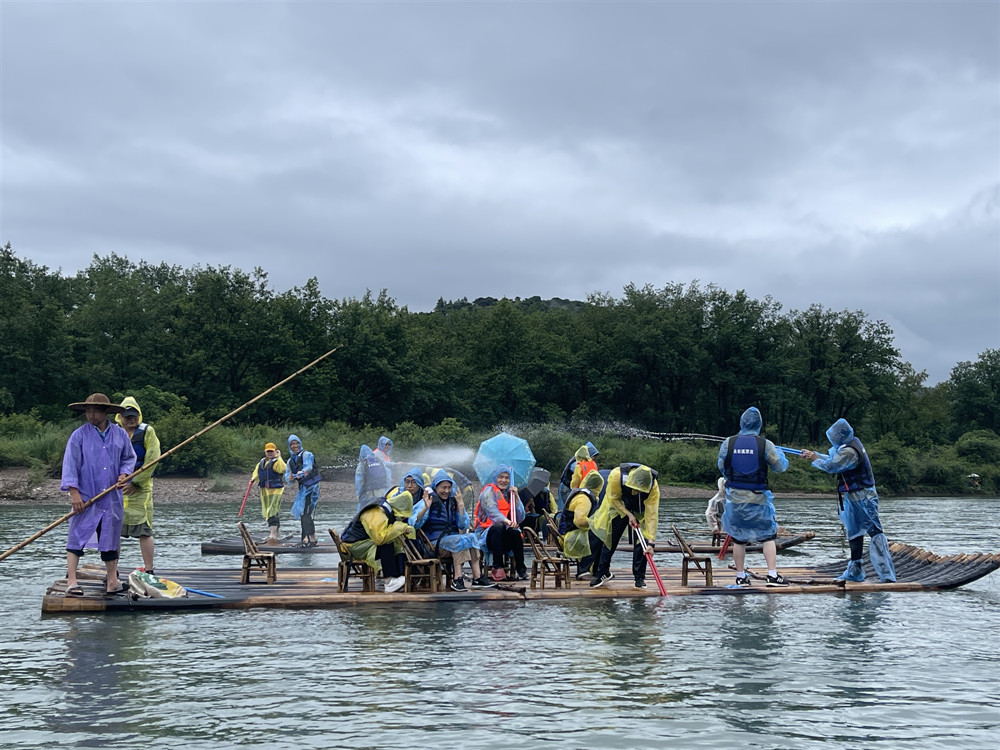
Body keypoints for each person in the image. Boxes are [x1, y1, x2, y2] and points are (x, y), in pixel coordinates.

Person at [799, 418, 896, 583]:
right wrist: (813, 455)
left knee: (874, 531)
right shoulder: (849, 445)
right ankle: (855, 571)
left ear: (841, 435)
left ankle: (886, 574)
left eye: (835, 436)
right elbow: (834, 460)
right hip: (852, 495)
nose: (833, 439)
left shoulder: (850, 452)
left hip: (864, 496)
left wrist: (815, 458)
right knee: (854, 532)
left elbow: (832, 466)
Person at [61, 393, 136, 597]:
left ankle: (112, 581)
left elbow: (128, 458)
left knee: (110, 537)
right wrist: (74, 492)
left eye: (94, 410)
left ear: (105, 412)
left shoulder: (120, 435)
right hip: (86, 495)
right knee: (77, 536)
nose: (90, 414)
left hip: (111, 497)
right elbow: (70, 465)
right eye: (88, 410)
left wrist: (124, 474)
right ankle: (72, 581)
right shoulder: (79, 435)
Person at [717, 406, 790, 587]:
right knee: (768, 537)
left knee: (738, 539)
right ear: (759, 424)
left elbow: (722, 466)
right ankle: (772, 576)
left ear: (741, 422)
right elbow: (780, 467)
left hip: (735, 501)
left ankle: (741, 576)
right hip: (759, 501)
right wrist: (780, 453)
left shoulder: (728, 443)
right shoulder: (765, 445)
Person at [410, 469, 494, 590]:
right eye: (443, 488)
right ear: (436, 487)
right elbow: (414, 524)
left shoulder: (453, 501)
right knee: (460, 541)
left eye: (449, 487)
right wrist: (425, 508)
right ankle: (457, 579)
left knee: (470, 538)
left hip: (452, 542)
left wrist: (460, 505)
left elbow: (463, 526)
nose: (446, 491)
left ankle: (477, 577)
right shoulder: (427, 500)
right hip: (433, 545)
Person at [589, 463, 660, 589]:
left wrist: (651, 543)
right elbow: (613, 499)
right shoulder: (617, 476)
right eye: (636, 488)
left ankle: (639, 577)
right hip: (619, 506)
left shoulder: (653, 487)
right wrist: (628, 515)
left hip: (641, 509)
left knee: (642, 542)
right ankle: (602, 572)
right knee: (611, 538)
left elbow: (652, 515)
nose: (637, 491)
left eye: (640, 489)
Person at [116, 397, 161, 574]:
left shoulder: (147, 431)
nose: (131, 419)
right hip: (118, 486)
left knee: (144, 529)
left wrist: (136, 482)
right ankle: (113, 570)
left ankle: (149, 569)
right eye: (127, 416)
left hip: (141, 488)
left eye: (134, 416)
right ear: (120, 417)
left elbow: (153, 457)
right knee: (113, 530)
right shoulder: (114, 432)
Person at [341, 490, 414, 593]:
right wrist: (399, 527)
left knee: (393, 542)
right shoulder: (377, 512)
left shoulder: (384, 507)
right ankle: (389, 582)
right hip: (353, 547)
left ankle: (397, 576)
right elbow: (379, 538)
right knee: (386, 543)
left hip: (360, 543)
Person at [474, 465, 527, 582]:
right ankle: (497, 566)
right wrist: (507, 521)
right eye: (501, 477)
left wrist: (516, 497)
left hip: (504, 535)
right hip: (487, 535)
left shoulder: (510, 494)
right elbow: (492, 512)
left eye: (507, 478)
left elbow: (521, 517)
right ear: (495, 478)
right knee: (498, 527)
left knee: (515, 532)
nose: (504, 480)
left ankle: (521, 568)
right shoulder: (488, 492)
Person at [559, 470, 605, 580]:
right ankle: (583, 570)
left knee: (600, 534)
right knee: (598, 536)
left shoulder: (582, 494)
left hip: (571, 531)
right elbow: (579, 521)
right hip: (570, 535)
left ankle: (596, 568)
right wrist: (595, 523)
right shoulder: (584, 499)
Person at [284, 433, 320, 547]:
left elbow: (308, 467)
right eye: (292, 444)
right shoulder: (290, 461)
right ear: (289, 447)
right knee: (303, 513)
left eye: (296, 443)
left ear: (300, 444)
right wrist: (289, 478)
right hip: (303, 489)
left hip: (312, 488)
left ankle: (309, 539)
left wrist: (301, 473)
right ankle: (308, 538)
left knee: (306, 513)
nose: (295, 446)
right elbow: (288, 474)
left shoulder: (307, 455)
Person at [251, 442, 286, 543]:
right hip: (265, 491)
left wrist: (279, 457)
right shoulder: (262, 462)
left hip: (276, 490)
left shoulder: (277, 461)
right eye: (268, 451)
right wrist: (253, 479)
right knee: (269, 511)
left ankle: (273, 535)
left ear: (275, 451)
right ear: (265, 452)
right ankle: (277, 532)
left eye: (272, 451)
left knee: (272, 511)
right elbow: (257, 472)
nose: (270, 453)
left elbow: (282, 469)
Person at [557, 442, 599, 511]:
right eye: (594, 457)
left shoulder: (583, 463)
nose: (595, 460)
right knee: (566, 510)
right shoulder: (577, 464)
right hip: (567, 488)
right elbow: (577, 480)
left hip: (572, 488)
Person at [355, 444, 392, 511]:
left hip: (368, 494)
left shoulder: (362, 464)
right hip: (382, 492)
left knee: (362, 512)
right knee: (381, 510)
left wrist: (358, 494)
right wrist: (387, 489)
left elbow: (359, 480)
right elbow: (388, 475)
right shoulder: (380, 462)